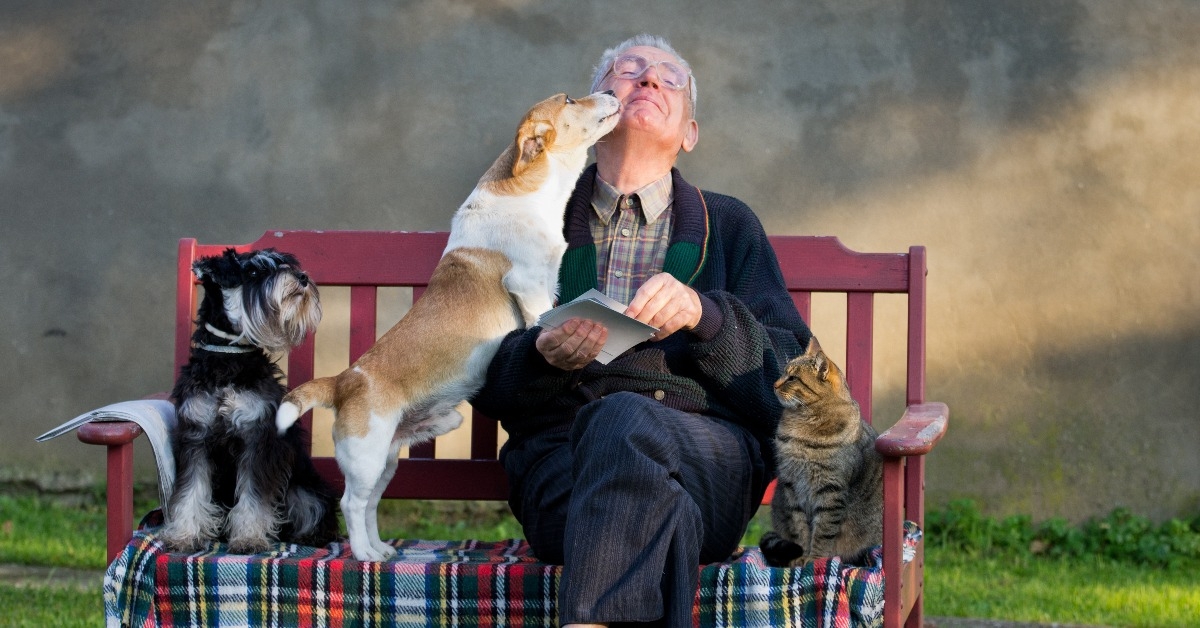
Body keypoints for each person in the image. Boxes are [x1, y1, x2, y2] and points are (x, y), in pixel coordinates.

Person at [471, 34, 812, 628]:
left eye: (669, 78)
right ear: (593, 110)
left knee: (624, 418)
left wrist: (706, 317)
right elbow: (480, 376)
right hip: (563, 469)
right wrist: (541, 356)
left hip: (709, 462)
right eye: (628, 71)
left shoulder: (730, 226)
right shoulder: (527, 222)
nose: (648, 80)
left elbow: (798, 389)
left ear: (689, 134)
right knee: (663, 512)